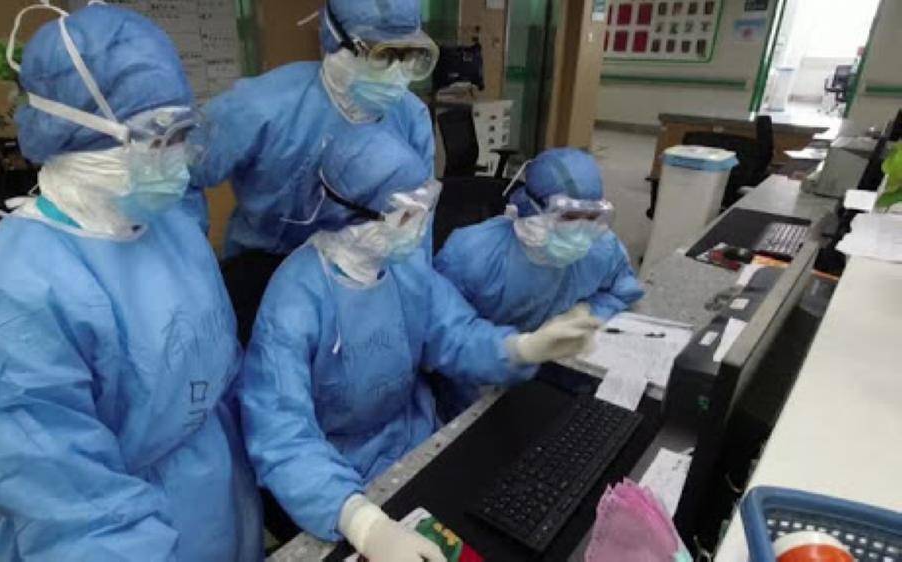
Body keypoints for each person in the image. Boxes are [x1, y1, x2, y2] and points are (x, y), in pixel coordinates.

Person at [0, 4, 262, 561]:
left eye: (183, 133)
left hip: (219, 487)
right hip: (119, 523)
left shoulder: (168, 225)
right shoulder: (11, 298)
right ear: (73, 135)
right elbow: (75, 507)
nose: (178, 159)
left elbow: (214, 371)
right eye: (156, 138)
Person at [237, 129, 600, 562]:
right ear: (352, 216)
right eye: (407, 215)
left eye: (425, 208)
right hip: (339, 473)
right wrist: (364, 524)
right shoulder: (295, 301)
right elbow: (281, 432)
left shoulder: (403, 267)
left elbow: (456, 333)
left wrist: (521, 348)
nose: (422, 227)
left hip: (419, 440)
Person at [190, 0, 437, 260]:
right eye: (381, 55)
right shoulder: (259, 108)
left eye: (409, 56)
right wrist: (187, 258)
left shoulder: (411, 117)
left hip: (364, 262)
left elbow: (417, 216)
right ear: (333, 39)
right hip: (265, 261)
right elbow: (182, 172)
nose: (397, 75)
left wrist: (414, 276)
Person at [435, 147, 644, 332]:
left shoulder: (603, 248)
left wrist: (588, 312)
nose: (580, 231)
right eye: (569, 217)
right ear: (529, 207)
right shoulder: (470, 255)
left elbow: (623, 289)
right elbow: (442, 328)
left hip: (564, 355)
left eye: (591, 217)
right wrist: (516, 347)